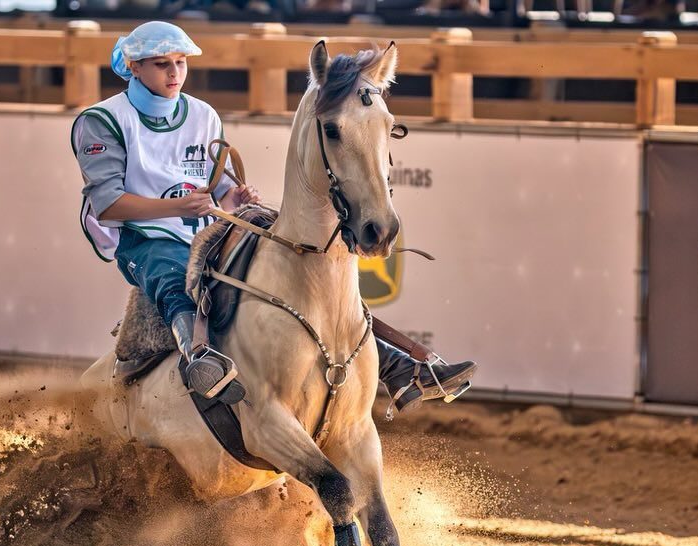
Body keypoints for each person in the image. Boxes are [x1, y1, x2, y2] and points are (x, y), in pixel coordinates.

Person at [71, 21, 476, 413]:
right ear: (135, 67)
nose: (175, 72)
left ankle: (398, 367)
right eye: (162, 64)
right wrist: (180, 207)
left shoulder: (202, 114)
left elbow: (215, 186)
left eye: (181, 62)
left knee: (297, 273)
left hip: (204, 229)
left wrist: (234, 195)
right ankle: (199, 360)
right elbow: (109, 206)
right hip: (142, 239)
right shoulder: (101, 121)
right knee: (176, 279)